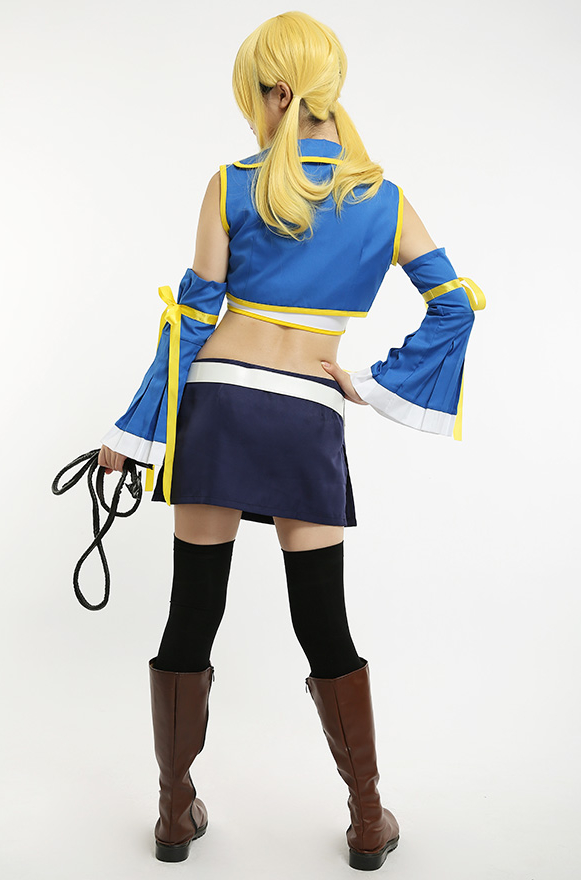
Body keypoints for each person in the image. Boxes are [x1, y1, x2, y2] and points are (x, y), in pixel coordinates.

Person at [98, 10, 484, 871]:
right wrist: (372, 383)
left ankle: (173, 813)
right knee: (323, 620)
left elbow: (192, 319)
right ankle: (368, 819)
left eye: (252, 94)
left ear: (276, 91)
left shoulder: (231, 184)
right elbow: (456, 304)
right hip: (305, 413)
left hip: (216, 405)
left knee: (192, 609)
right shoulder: (383, 199)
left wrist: (131, 430)